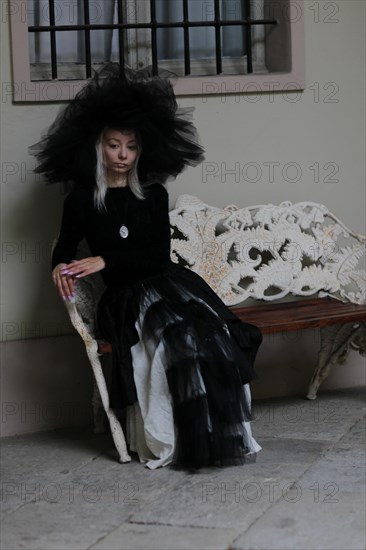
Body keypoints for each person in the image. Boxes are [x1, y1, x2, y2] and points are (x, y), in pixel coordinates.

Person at [33, 65, 262, 469]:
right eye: (113, 145)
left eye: (131, 146)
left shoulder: (153, 195)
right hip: (124, 298)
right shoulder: (82, 202)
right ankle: (168, 437)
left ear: (142, 150)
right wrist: (58, 265)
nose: (122, 155)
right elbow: (65, 247)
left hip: (168, 283)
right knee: (167, 345)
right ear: (97, 147)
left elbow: (158, 255)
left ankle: (212, 432)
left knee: (207, 336)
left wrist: (105, 257)